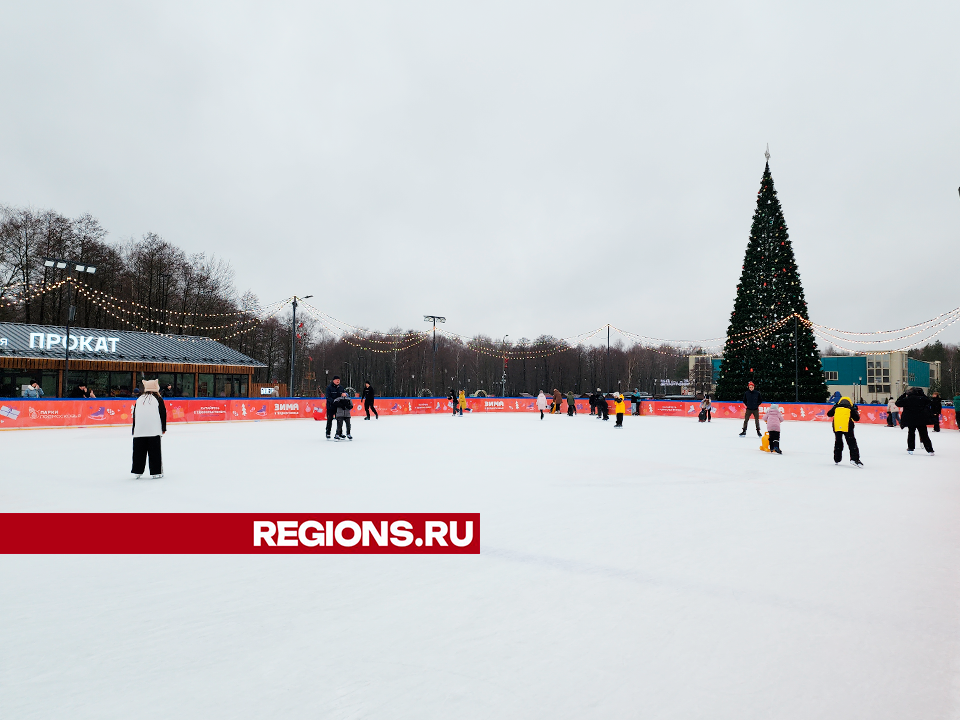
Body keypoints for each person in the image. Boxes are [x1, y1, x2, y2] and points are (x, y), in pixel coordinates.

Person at [131, 379, 166, 478]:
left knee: (138, 452)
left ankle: (137, 471)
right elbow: (162, 414)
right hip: (153, 430)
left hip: (139, 430)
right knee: (154, 451)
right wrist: (163, 427)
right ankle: (156, 472)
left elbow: (135, 415)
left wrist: (134, 428)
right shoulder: (158, 399)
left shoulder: (139, 399)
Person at [896, 387, 934, 455]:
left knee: (911, 433)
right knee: (924, 434)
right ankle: (930, 450)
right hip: (921, 419)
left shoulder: (908, 399)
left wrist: (904, 394)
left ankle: (910, 448)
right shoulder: (922, 399)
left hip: (911, 419)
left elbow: (898, 403)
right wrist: (922, 395)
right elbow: (930, 402)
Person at [827, 395, 862, 467]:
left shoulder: (836, 407)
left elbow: (829, 414)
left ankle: (837, 458)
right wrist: (854, 410)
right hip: (847, 427)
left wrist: (835, 407)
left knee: (838, 441)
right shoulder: (850, 408)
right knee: (851, 442)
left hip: (837, 427)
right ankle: (854, 459)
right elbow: (857, 418)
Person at [324, 375, 343, 440]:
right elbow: (328, 397)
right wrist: (334, 402)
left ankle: (339, 433)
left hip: (338, 407)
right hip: (331, 406)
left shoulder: (341, 388)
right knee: (330, 420)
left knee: (339, 420)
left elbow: (343, 396)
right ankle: (328, 433)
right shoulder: (329, 388)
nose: (338, 381)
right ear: (333, 381)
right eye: (337, 380)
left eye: (339, 380)